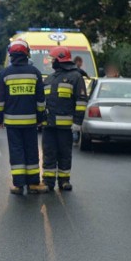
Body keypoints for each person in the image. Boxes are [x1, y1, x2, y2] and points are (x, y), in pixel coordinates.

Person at [0, 39, 47, 195]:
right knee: (31, 150)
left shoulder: (5, 74)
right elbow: (40, 100)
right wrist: (40, 117)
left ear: (11, 54)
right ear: (26, 53)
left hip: (12, 122)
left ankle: (18, 185)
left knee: (16, 151)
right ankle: (33, 184)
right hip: (31, 121)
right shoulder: (35, 73)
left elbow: (0, 100)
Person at [41, 47, 87, 191]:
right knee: (49, 153)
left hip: (66, 127)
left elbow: (81, 101)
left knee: (64, 153)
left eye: (53, 59)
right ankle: (48, 182)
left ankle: (64, 181)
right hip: (48, 125)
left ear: (60, 59)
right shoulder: (50, 78)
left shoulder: (76, 77)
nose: (51, 62)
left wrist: (77, 122)